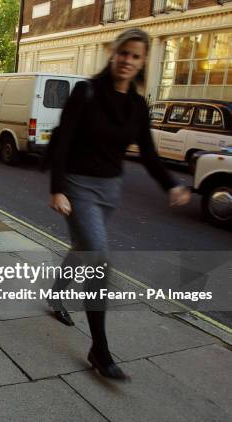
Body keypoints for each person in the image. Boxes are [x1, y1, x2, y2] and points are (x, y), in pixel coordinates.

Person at [47, 28, 191, 380]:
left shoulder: (137, 105)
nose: (127, 60)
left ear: (143, 62)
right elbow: (63, 138)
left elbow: (149, 153)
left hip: (109, 190)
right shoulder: (87, 92)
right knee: (99, 258)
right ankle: (99, 349)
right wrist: (58, 188)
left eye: (135, 56)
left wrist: (171, 184)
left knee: (84, 249)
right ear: (113, 54)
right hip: (78, 187)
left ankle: (55, 294)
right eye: (123, 53)